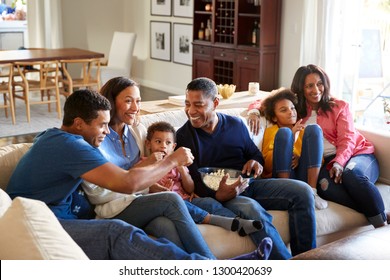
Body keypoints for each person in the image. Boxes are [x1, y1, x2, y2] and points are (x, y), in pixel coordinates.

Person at [6, 88, 272, 260]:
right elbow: (127, 182)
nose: (107, 132)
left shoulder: (57, 138)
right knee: (116, 231)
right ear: (78, 124)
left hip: (80, 211)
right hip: (48, 222)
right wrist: (173, 160)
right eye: (101, 125)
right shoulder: (70, 145)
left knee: (168, 202)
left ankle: (209, 265)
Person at [176, 77, 317, 258]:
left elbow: (254, 154)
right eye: (187, 104)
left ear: (216, 103)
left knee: (302, 191)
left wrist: (255, 162)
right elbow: (194, 181)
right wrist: (218, 194)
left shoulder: (235, 125)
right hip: (224, 197)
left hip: (249, 184)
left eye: (198, 105)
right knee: (253, 211)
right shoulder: (184, 137)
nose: (191, 111)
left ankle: (307, 259)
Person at [79, 77, 212, 255]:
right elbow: (98, 194)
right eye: (128, 101)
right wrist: (145, 187)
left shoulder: (137, 131)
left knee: (165, 226)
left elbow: (151, 166)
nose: (135, 108)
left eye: (138, 101)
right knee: (170, 199)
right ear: (110, 102)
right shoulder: (96, 137)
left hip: (139, 203)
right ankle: (212, 265)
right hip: (113, 207)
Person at [291, 64, 390, 227]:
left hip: (358, 154)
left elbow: (348, 139)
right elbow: (266, 102)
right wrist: (254, 112)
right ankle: (380, 213)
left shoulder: (339, 106)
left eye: (319, 83)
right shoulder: (297, 111)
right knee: (324, 186)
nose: (316, 89)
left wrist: (339, 163)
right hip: (326, 163)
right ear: (300, 88)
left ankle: (381, 226)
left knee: (351, 174)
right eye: (309, 86)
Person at [144, 120, 263, 236]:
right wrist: (157, 188)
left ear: (174, 146)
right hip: (169, 204)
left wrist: (182, 170)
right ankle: (229, 222)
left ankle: (237, 221)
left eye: (168, 143)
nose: (163, 147)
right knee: (182, 205)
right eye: (158, 142)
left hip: (187, 199)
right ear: (148, 144)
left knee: (209, 203)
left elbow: (190, 189)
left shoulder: (177, 163)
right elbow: (139, 185)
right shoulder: (144, 164)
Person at [260, 88, 328, 210]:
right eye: (283, 110)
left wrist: (299, 157)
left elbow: (320, 160)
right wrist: (291, 138)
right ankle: (286, 193)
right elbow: (268, 164)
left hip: (303, 177)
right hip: (281, 179)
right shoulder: (272, 132)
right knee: (285, 133)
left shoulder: (302, 131)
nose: (291, 112)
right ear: (274, 118)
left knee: (314, 129)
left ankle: (312, 192)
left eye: (292, 108)